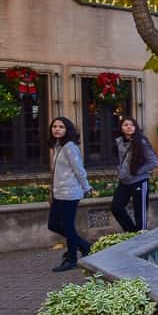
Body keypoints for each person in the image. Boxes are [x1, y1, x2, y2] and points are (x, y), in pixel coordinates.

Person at [47, 116, 92, 271]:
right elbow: (55, 173)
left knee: (68, 227)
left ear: (67, 130)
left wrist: (87, 188)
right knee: (53, 224)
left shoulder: (70, 147)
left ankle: (71, 259)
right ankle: (84, 246)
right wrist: (51, 192)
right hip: (58, 193)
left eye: (61, 126)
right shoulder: (58, 146)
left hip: (70, 193)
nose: (57, 129)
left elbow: (79, 170)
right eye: (54, 126)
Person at [111, 117, 158, 232]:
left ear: (135, 127)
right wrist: (121, 170)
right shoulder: (119, 141)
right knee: (116, 208)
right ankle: (132, 233)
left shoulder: (141, 142)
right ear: (121, 128)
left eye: (132, 125)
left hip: (140, 181)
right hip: (124, 182)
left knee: (140, 214)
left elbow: (153, 162)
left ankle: (141, 238)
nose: (129, 127)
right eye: (125, 125)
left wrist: (136, 171)